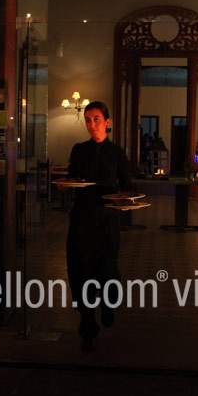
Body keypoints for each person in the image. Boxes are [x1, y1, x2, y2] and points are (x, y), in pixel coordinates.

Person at [60, 101, 131, 351]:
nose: (92, 125)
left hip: (107, 220)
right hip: (81, 219)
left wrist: (123, 197)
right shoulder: (79, 150)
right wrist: (66, 184)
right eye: (88, 120)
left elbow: (127, 185)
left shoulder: (117, 153)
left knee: (107, 268)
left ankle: (109, 303)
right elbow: (73, 178)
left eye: (97, 119)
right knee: (80, 271)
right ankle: (87, 326)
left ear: (107, 122)